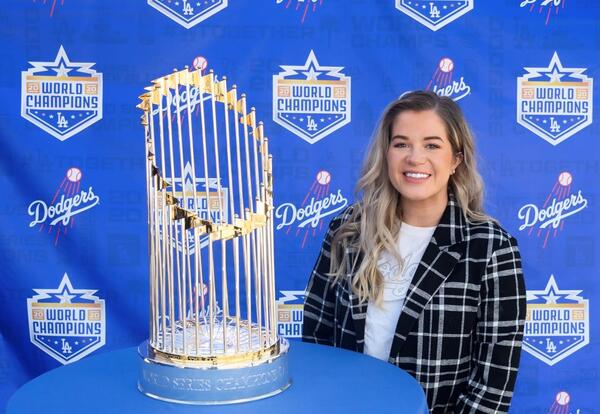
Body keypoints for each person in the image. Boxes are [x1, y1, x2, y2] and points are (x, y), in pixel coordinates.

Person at [302, 91, 526, 413]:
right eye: (401, 144)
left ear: (456, 160)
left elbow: (493, 382)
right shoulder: (348, 230)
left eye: (432, 145)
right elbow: (316, 339)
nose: (415, 158)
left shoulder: (491, 246)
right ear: (387, 153)